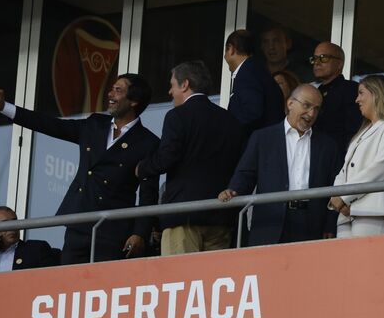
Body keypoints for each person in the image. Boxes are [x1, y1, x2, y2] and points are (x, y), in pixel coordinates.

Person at [0, 76, 159, 264]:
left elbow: (147, 196)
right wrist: (5, 107)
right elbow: (51, 125)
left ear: (134, 100)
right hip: (78, 223)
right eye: (111, 88)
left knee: (102, 285)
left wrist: (139, 234)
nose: (110, 94)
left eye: (118, 90)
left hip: (113, 229)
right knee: (69, 283)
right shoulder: (95, 124)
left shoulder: (147, 143)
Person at [137, 61, 245, 256]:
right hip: (220, 218)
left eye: (172, 85)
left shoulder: (177, 116)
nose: (170, 92)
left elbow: (166, 158)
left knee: (181, 280)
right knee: (211, 284)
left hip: (183, 218)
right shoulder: (230, 120)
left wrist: (142, 168)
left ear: (185, 84)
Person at [218, 85, 341, 245]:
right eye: (307, 105)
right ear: (290, 103)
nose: (311, 114)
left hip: (312, 225)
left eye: (316, 109)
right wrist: (233, 190)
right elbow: (246, 174)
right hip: (269, 222)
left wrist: (330, 224)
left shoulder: (327, 145)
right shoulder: (262, 138)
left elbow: (336, 186)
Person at [329, 75, 384, 237]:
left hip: (374, 211)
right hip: (347, 214)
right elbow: (344, 171)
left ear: (377, 94)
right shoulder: (361, 132)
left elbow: (381, 168)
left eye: (361, 93)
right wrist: (337, 198)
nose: (357, 100)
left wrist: (344, 197)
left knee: (368, 262)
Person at [223, 29, 285, 146]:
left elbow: (252, 112)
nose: (225, 57)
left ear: (231, 49)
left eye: (225, 51)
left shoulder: (247, 72)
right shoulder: (256, 69)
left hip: (259, 148)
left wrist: (226, 130)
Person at [310, 41, 363, 152]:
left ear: (339, 64)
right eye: (314, 58)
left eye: (323, 58)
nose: (317, 63)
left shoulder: (351, 90)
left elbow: (354, 131)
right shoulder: (315, 92)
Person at [0, 206, 58, 273]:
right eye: (5, 224)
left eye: (15, 222)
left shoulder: (36, 249)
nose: (12, 228)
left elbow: (51, 278)